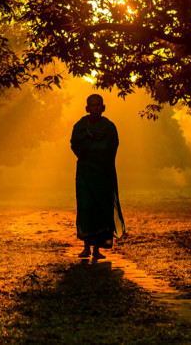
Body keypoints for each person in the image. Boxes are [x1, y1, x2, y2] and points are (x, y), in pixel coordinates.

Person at [70, 94, 126, 259]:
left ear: (103, 107)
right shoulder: (80, 126)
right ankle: (86, 247)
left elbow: (110, 147)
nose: (95, 108)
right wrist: (90, 147)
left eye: (98, 105)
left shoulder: (109, 127)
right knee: (86, 208)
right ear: (87, 108)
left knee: (101, 209)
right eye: (92, 105)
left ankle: (97, 250)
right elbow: (75, 145)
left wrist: (93, 148)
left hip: (103, 174)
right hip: (85, 174)